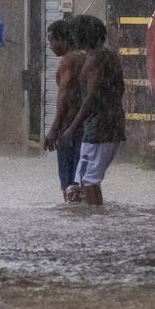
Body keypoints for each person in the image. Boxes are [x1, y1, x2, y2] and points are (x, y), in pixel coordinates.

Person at [58, 15, 126, 206]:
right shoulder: (109, 56)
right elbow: (120, 89)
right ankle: (97, 221)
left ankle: (95, 224)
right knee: (90, 179)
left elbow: (91, 97)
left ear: (81, 35)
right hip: (112, 124)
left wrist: (71, 128)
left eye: (73, 33)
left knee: (86, 180)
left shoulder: (94, 60)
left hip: (97, 129)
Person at [43, 19, 86, 202]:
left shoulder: (69, 60)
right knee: (80, 179)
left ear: (63, 39)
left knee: (69, 182)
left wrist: (54, 128)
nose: (50, 45)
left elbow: (65, 96)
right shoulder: (84, 56)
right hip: (84, 123)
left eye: (52, 40)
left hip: (70, 125)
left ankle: (72, 215)